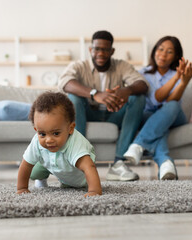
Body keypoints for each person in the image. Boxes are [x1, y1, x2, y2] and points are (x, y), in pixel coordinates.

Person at [58, 30, 149, 182]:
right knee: (73, 97)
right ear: (90, 50)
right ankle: (78, 160)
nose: (101, 53)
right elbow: (65, 83)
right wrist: (95, 93)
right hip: (88, 114)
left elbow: (143, 84)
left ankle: (119, 163)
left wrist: (126, 90)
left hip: (114, 114)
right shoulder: (79, 66)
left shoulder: (121, 66)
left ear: (112, 51)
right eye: (97, 49)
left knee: (138, 98)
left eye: (105, 49)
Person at [123, 36, 192, 180]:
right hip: (149, 116)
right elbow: (156, 98)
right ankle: (166, 164)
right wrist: (177, 78)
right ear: (154, 51)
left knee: (171, 106)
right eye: (161, 49)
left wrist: (182, 81)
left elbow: (172, 100)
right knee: (159, 125)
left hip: (174, 115)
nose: (163, 54)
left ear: (176, 56)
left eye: (169, 52)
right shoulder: (143, 73)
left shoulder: (177, 73)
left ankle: (138, 145)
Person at [16, 92, 102, 197]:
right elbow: (25, 164)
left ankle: (64, 180)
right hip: (52, 164)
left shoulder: (76, 144)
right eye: (42, 134)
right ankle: (41, 179)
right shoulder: (37, 141)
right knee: (34, 172)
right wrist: (22, 188)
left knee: (71, 185)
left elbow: (89, 167)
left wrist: (94, 191)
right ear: (36, 130)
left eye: (56, 133)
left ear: (70, 129)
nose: (48, 140)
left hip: (77, 177)